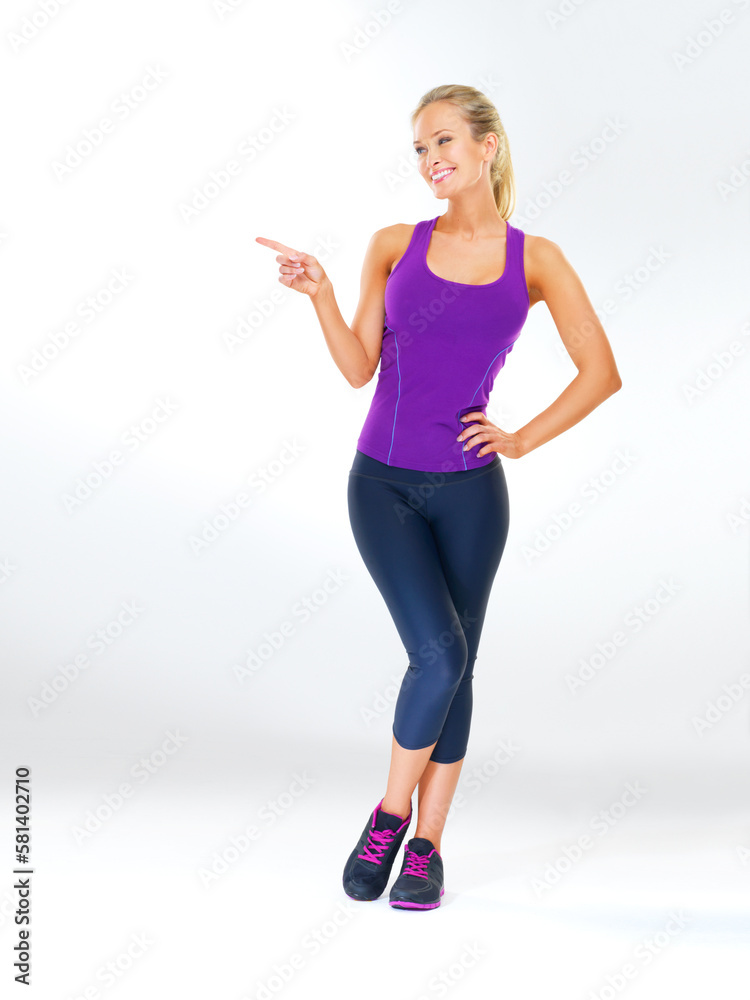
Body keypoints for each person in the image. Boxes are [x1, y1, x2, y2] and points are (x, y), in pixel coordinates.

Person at [256, 84, 622, 911]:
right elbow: (359, 368)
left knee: (459, 666)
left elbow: (602, 372)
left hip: (472, 497)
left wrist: (521, 438)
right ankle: (389, 816)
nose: (430, 160)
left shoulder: (538, 259)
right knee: (441, 653)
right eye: (419, 149)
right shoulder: (393, 244)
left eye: (444, 141)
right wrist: (318, 292)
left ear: (488, 145)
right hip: (381, 485)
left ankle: (427, 847)